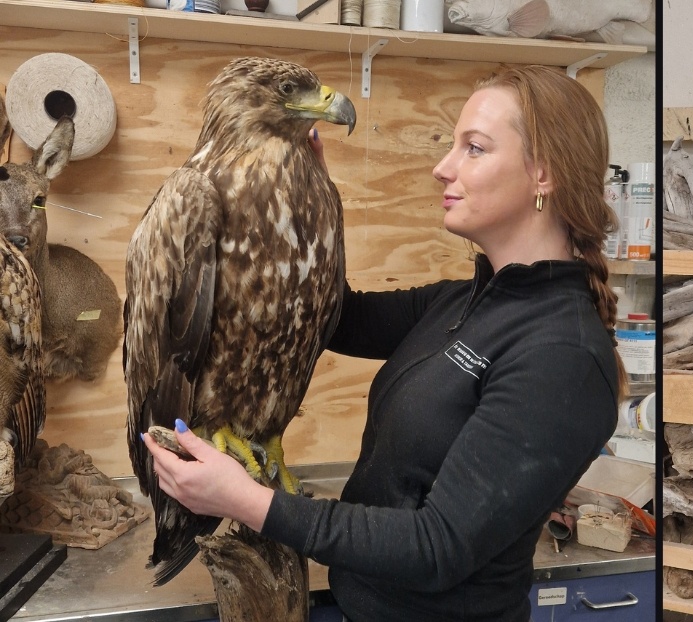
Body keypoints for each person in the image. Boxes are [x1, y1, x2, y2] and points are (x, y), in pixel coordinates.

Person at [141, 65, 622, 621]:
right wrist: (308, 201)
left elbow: (436, 546)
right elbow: (330, 313)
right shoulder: (464, 301)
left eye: (475, 149)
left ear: (544, 175)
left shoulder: (564, 356)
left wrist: (248, 502)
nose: (443, 169)